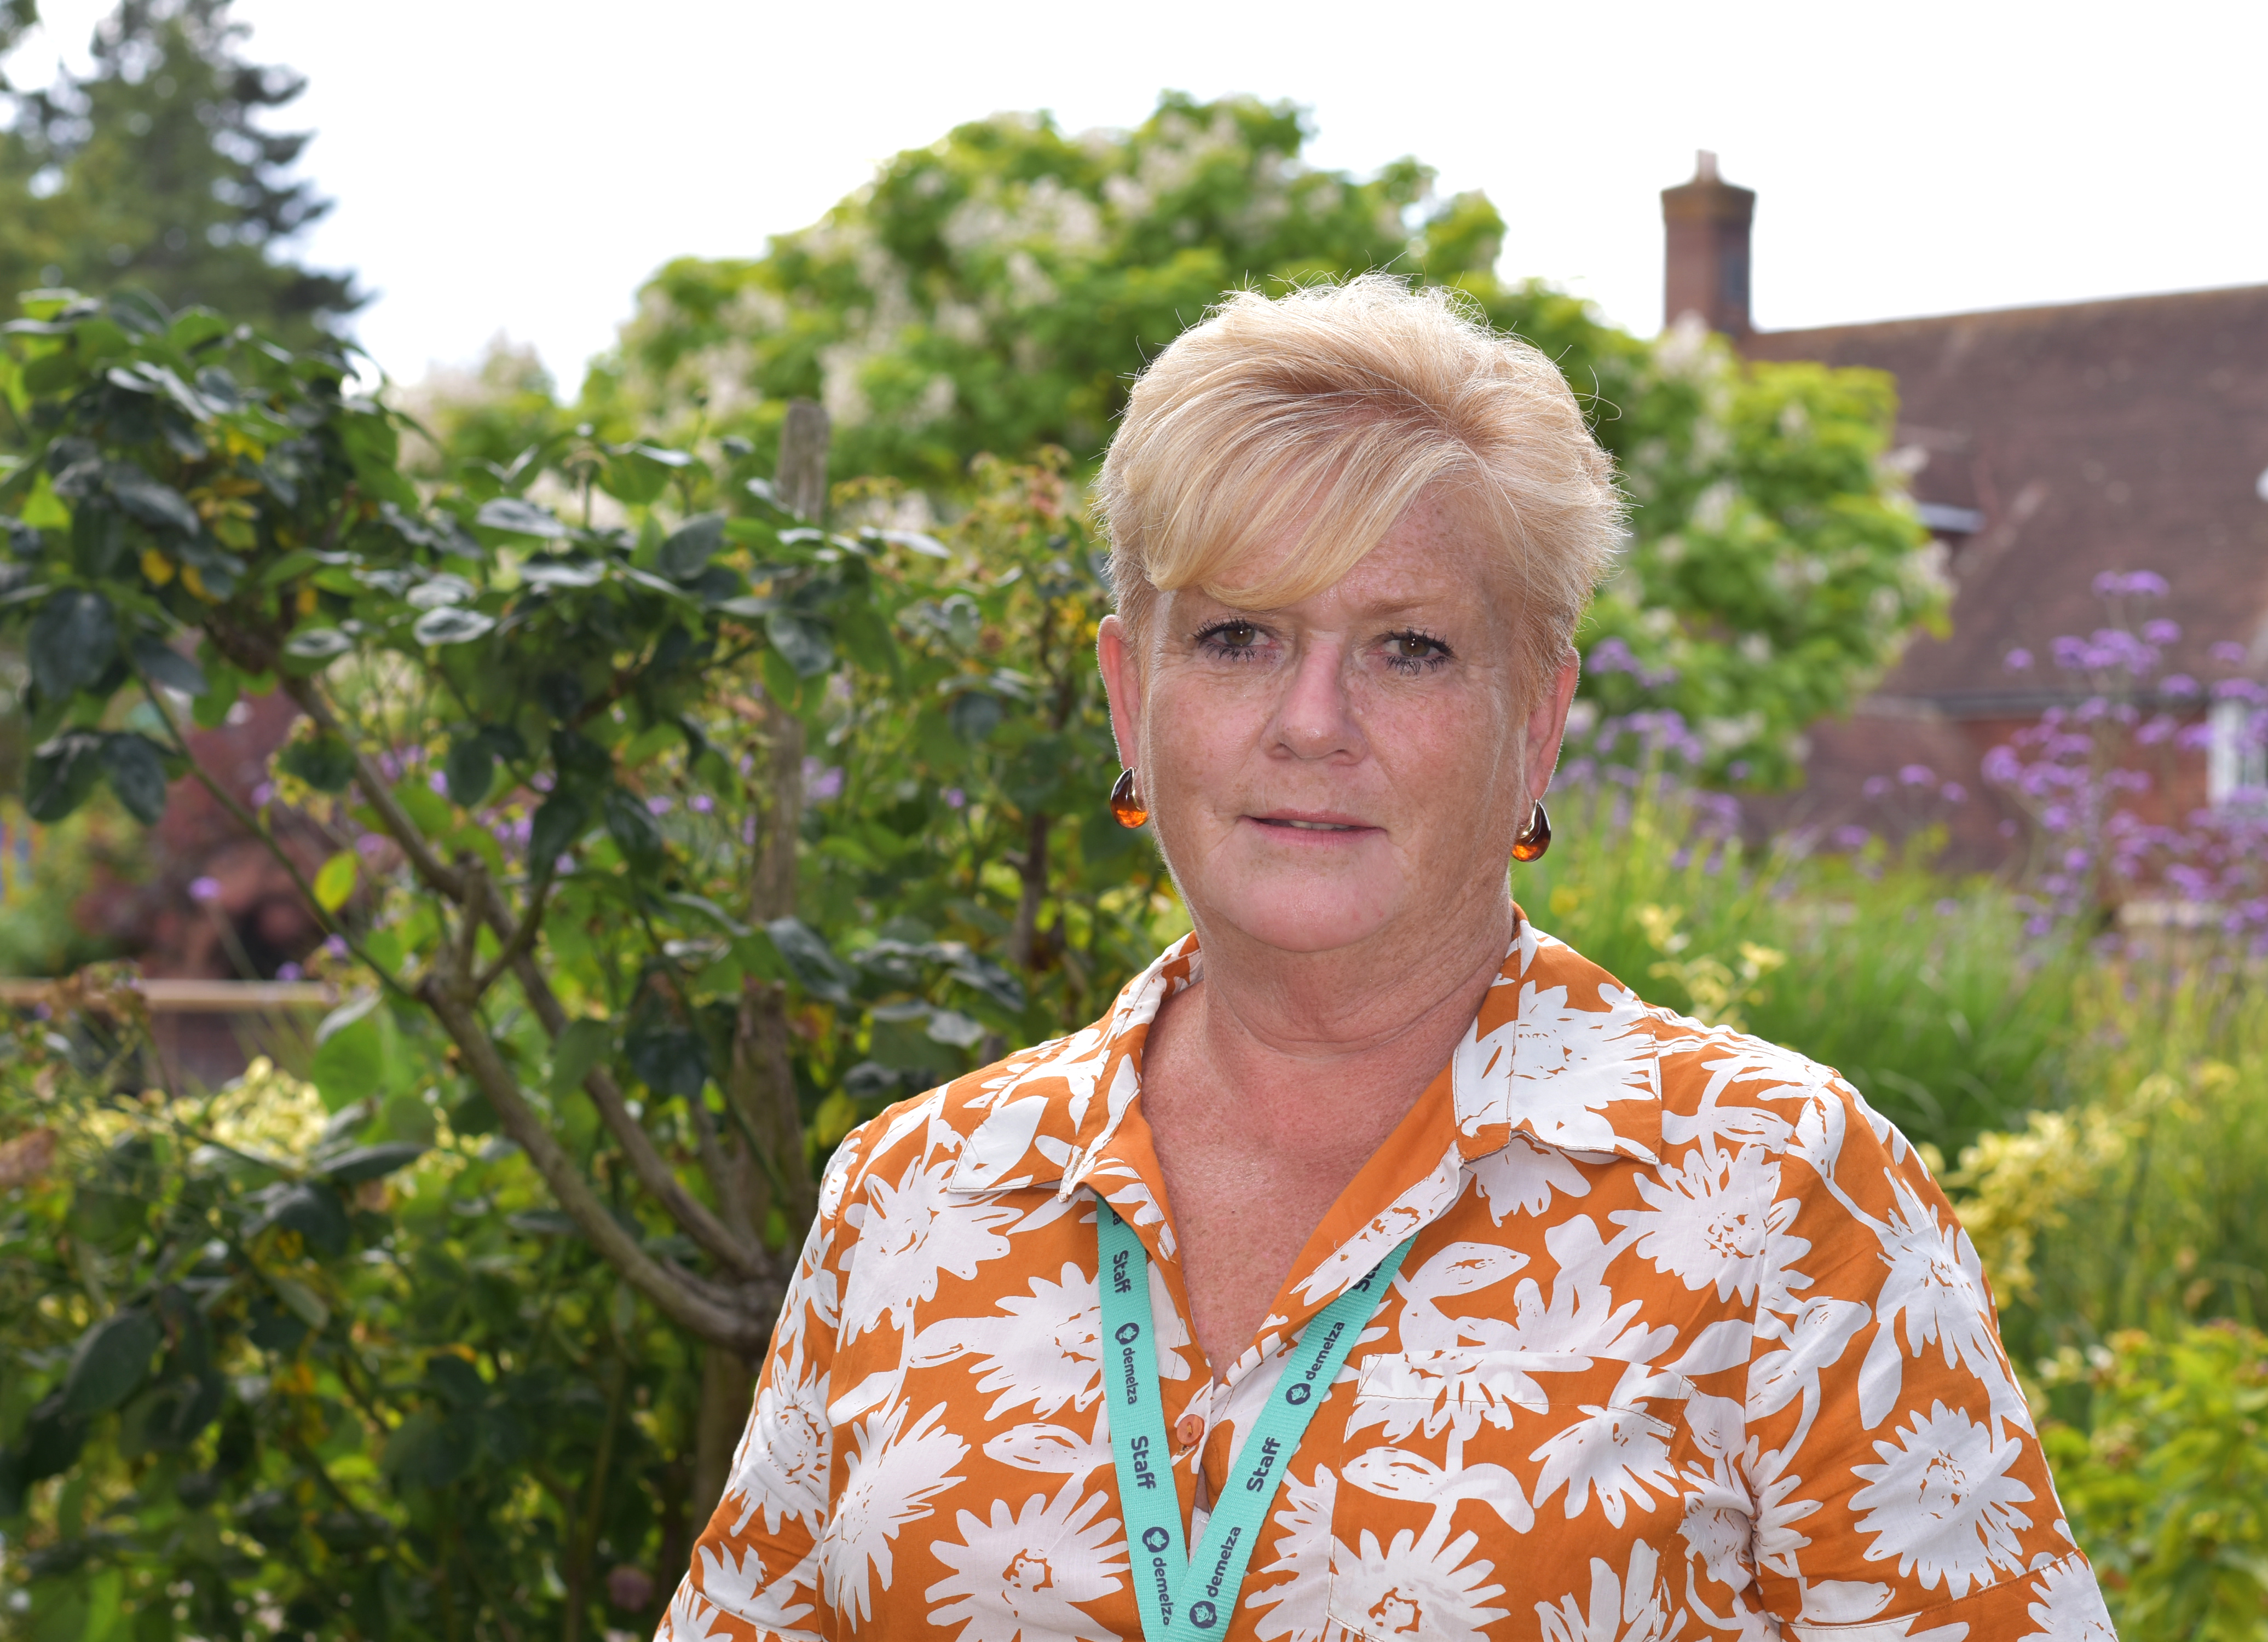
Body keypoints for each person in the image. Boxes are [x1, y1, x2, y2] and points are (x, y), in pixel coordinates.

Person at [657, 277, 2111, 1642]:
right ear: (1128, 697)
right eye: (1236, 636)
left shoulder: (1783, 1199)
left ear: (1537, 722)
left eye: (1408, 647)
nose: (1311, 721)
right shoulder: (915, 1196)